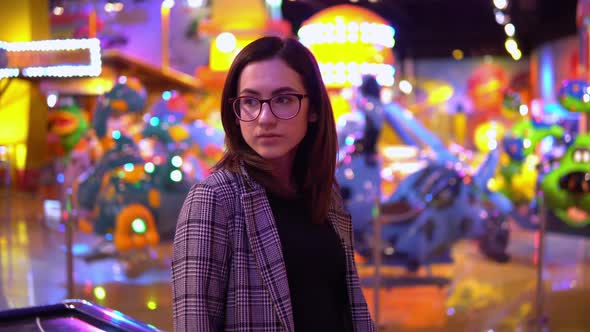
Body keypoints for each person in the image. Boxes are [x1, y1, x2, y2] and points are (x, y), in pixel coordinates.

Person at [171, 36, 375, 332]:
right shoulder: (215, 198)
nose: (265, 118)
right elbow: (194, 323)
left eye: (283, 99)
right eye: (250, 101)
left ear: (313, 109)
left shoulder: (323, 191)